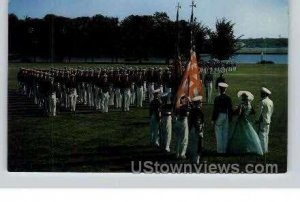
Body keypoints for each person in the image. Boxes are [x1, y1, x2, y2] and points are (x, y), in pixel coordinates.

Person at [228, 91, 263, 155]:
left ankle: (240, 148)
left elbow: (239, 113)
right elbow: (253, 112)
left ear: (243, 98)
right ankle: (248, 148)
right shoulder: (249, 105)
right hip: (247, 121)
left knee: (239, 134)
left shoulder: (241, 105)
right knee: (249, 135)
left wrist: (235, 110)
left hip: (241, 121)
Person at [212, 82, 233, 154]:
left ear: (219, 89)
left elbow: (215, 109)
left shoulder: (217, 98)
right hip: (226, 115)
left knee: (218, 133)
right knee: (225, 133)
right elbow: (230, 109)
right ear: (225, 89)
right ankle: (224, 149)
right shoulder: (228, 98)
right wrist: (230, 118)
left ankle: (220, 150)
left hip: (219, 115)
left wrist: (213, 119)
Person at [256, 87, 274, 154]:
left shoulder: (262, 102)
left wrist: (257, 119)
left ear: (264, 94)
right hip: (268, 120)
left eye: (262, 93)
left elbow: (259, 112)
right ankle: (266, 149)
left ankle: (262, 151)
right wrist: (269, 118)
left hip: (262, 121)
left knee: (262, 135)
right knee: (266, 135)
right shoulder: (271, 101)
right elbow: (272, 111)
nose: (260, 94)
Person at [189, 96, 204, 164]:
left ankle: (192, 160)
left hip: (191, 129)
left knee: (192, 145)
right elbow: (198, 122)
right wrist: (200, 131)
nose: (201, 103)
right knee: (198, 145)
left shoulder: (192, 110)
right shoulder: (199, 111)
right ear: (198, 103)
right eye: (200, 102)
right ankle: (196, 160)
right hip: (197, 129)